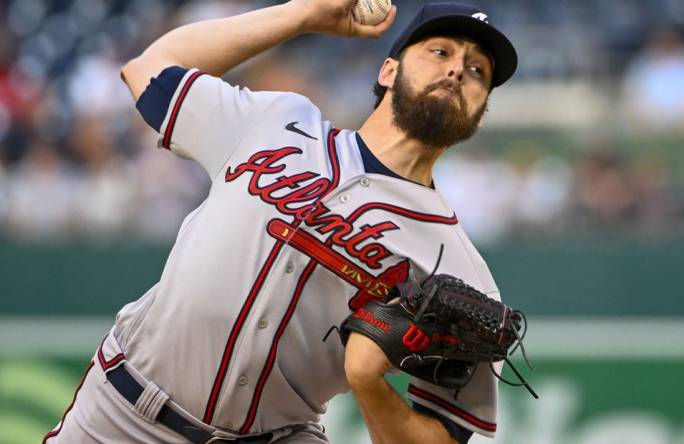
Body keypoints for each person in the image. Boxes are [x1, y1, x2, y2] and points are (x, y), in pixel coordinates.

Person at [44, 1, 519, 443]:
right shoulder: (277, 120)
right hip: (123, 413)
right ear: (388, 70)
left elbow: (442, 436)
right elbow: (149, 68)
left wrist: (368, 383)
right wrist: (301, 13)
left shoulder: (457, 265)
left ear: (481, 111)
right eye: (440, 52)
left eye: (478, 71)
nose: (457, 69)